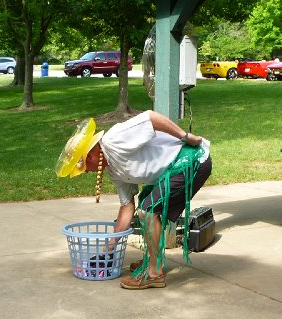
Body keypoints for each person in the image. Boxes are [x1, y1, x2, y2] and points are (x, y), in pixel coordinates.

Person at [56, 111, 211, 289]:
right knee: (146, 203)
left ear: (90, 156)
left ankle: (154, 273)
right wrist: (108, 251)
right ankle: (153, 260)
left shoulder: (113, 141)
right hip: (174, 169)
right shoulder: (113, 170)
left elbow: (151, 118)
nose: (85, 171)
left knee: (148, 209)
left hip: (191, 161)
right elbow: (127, 206)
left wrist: (185, 136)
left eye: (82, 166)